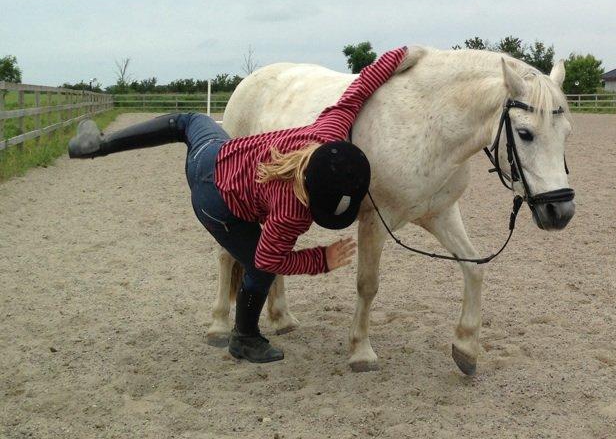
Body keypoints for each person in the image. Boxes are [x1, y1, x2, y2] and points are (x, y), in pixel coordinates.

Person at [68, 47, 409, 363]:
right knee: (258, 266)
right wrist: (321, 259)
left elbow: (360, 87)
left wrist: (402, 54)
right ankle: (244, 337)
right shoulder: (291, 212)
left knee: (186, 121)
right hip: (214, 202)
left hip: (214, 153)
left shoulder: (327, 132)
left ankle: (99, 145)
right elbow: (270, 259)